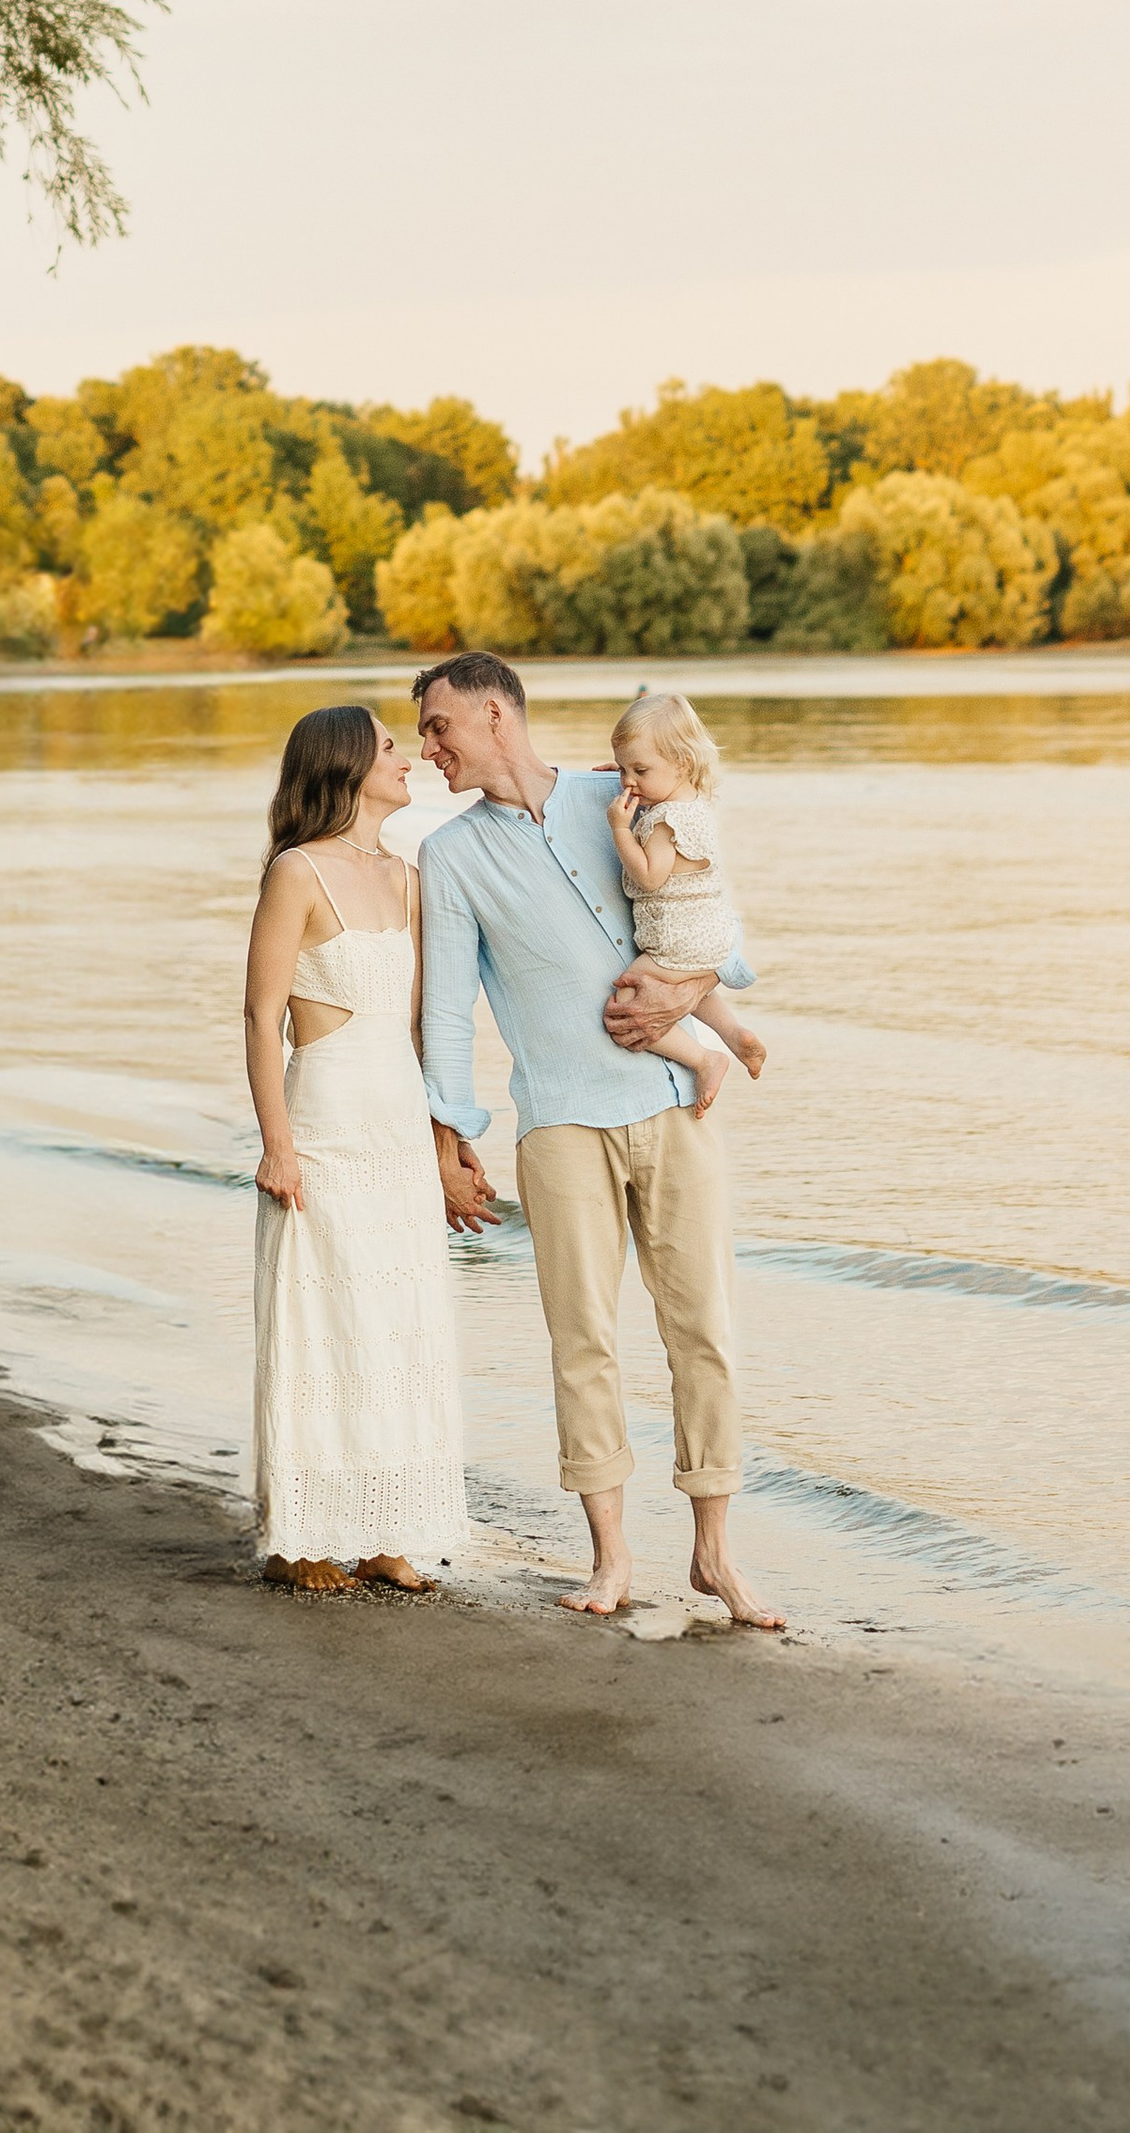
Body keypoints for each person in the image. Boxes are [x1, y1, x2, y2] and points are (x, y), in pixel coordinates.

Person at [413, 651, 784, 1630]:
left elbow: (702, 908)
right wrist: (449, 1137)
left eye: (437, 725)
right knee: (583, 1342)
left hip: (672, 1104)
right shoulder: (448, 857)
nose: (426, 749)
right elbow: (447, 1009)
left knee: (702, 1328)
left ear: (495, 713)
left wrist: (691, 987)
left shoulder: (610, 793)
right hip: (560, 1124)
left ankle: (714, 1551)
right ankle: (612, 1554)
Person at [244, 702, 469, 1597]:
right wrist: (278, 1145)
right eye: (388, 746)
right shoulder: (296, 873)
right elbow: (262, 1015)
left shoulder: (408, 877)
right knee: (324, 1324)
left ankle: (383, 1531)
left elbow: (422, 1024)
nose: (407, 756)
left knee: (399, 1327)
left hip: (396, 1124)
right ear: (345, 765)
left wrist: (445, 1143)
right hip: (327, 1119)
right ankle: (300, 1538)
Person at [606, 687, 767, 1117]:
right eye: (622, 770)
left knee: (625, 1006)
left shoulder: (663, 822)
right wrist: (633, 776)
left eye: (639, 769)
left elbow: (650, 877)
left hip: (674, 943)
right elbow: (650, 779)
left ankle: (704, 1059)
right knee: (685, 989)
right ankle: (734, 1034)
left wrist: (621, 829)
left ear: (680, 762)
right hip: (713, 939)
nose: (627, 782)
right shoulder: (693, 801)